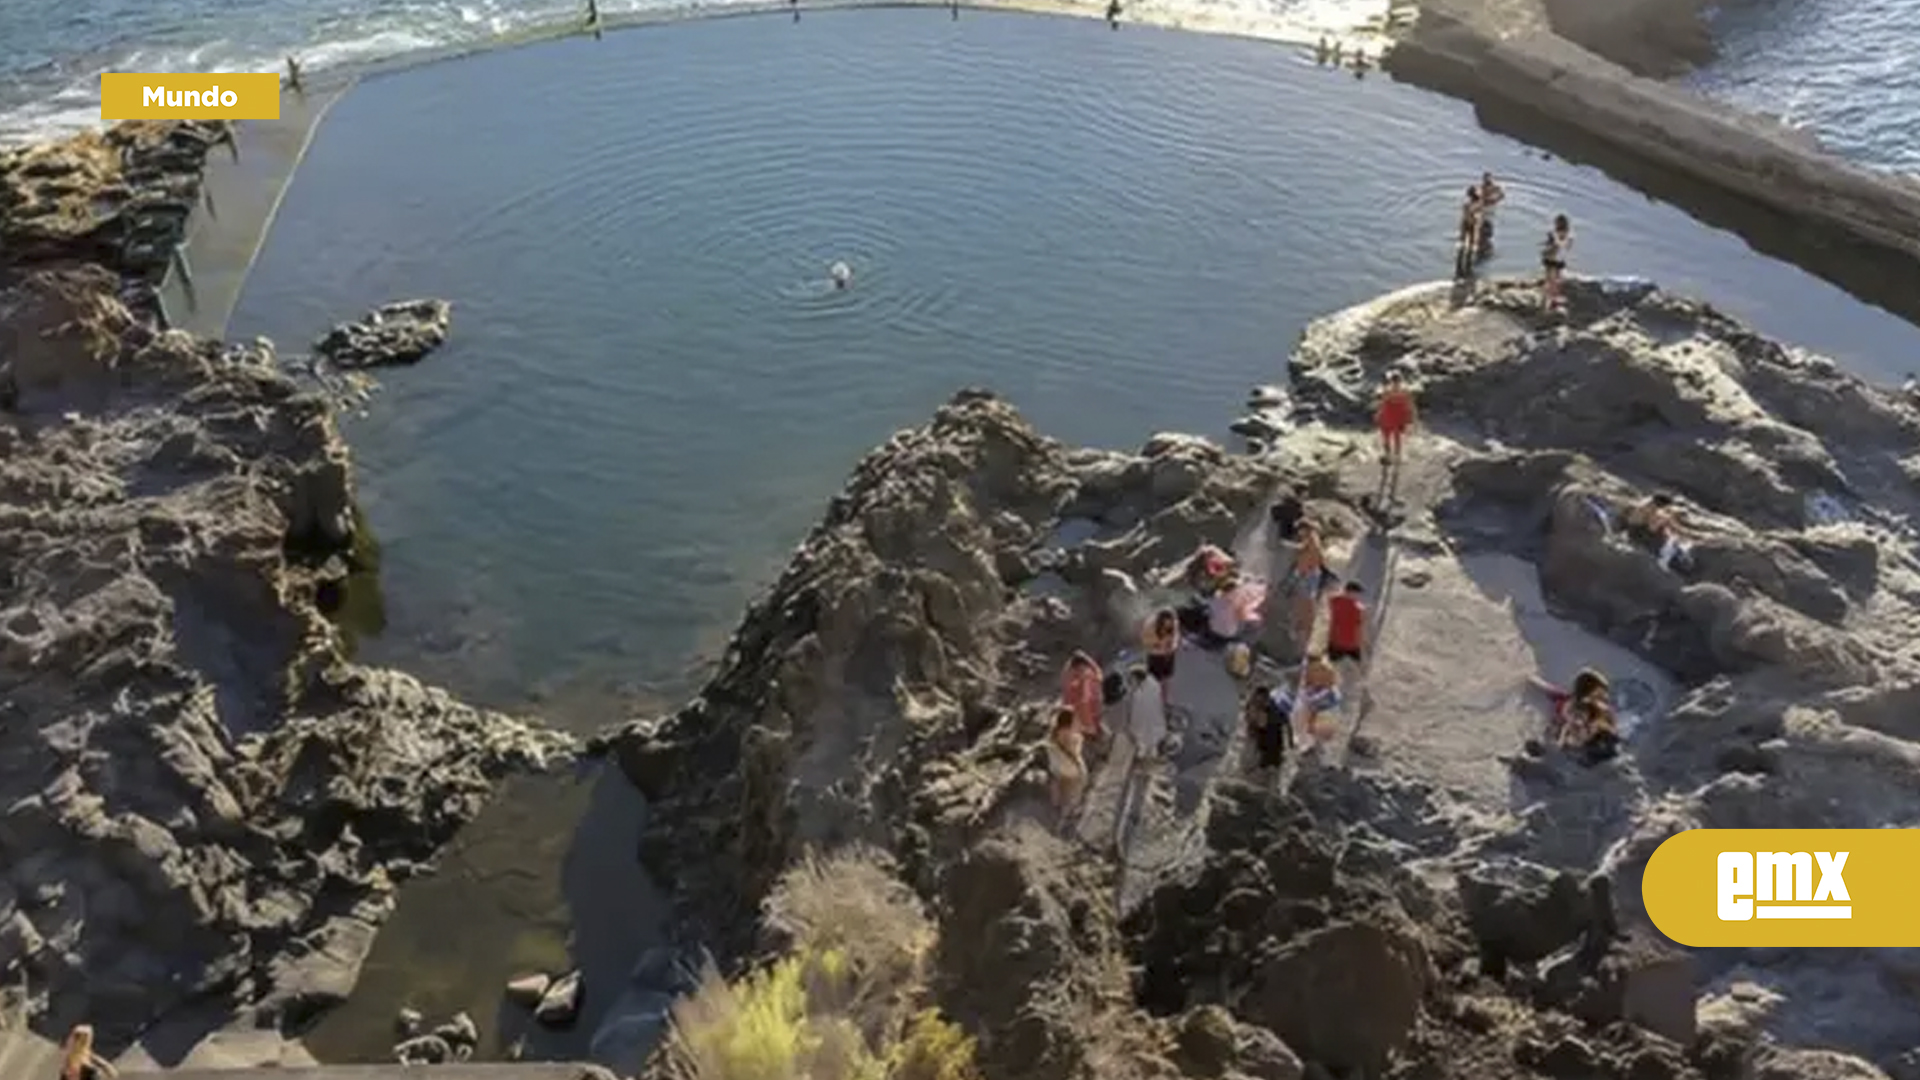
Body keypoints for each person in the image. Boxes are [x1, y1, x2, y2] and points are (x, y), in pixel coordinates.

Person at [1283, 520, 1331, 647]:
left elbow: (1311, 554)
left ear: (1304, 528)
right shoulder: (1311, 538)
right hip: (1307, 573)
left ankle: (1304, 629)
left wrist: (1302, 569)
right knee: (1302, 599)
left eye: (1299, 530)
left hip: (1308, 575)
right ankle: (1301, 626)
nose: (1298, 533)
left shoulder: (1312, 539)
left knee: (1306, 601)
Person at [1623, 493, 1691, 571]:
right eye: (1665, 507)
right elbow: (1652, 527)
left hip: (1637, 531)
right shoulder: (1650, 508)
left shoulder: (1648, 504)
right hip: (1639, 534)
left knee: (1665, 534)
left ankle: (1673, 555)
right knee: (1662, 543)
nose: (1664, 508)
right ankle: (1671, 560)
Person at [1046, 707, 1087, 821]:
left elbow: (1052, 716)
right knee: (1075, 788)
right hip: (1069, 768)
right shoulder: (1073, 737)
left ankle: (1055, 803)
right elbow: (1076, 753)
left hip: (1055, 765)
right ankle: (1069, 811)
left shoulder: (1053, 732)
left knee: (1057, 782)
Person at [1244, 681, 1295, 773]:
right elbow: (1251, 720)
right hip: (1262, 738)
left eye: (1262, 701)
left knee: (1271, 762)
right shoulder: (1252, 705)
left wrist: (1291, 741)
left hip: (1273, 741)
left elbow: (1288, 723)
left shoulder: (1277, 710)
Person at [1297, 652, 1343, 744]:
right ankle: (1311, 732)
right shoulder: (1309, 669)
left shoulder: (1326, 668)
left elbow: (1331, 684)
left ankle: (1316, 733)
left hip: (1327, 697)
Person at [1375, 371, 1416, 466]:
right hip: (1392, 416)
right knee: (1392, 437)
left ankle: (1391, 456)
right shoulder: (1403, 391)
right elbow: (1410, 405)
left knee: (1391, 437)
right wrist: (1411, 418)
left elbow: (1383, 404)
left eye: (1395, 381)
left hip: (1392, 416)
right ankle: (1392, 456)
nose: (1395, 383)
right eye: (1395, 381)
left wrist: (1411, 418)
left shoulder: (1390, 391)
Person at [1062, 652, 1105, 741]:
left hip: (1077, 715)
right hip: (1086, 714)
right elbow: (1084, 700)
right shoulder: (1087, 676)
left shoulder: (1070, 676)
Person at [1325, 580, 1366, 673]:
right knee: (1357, 670)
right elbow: (1360, 625)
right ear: (1351, 592)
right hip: (1348, 643)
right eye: (1357, 593)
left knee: (1332, 667)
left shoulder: (1335, 601)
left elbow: (1330, 596)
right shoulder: (1358, 608)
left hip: (1338, 641)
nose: (1358, 596)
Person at [1143, 608, 1180, 698]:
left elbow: (1176, 636)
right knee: (1154, 678)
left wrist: (1171, 647)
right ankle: (1151, 697)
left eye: (1169, 625)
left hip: (1168, 653)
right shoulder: (1150, 624)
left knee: (1166, 678)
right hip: (1155, 654)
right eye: (1164, 625)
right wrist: (1158, 644)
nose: (1166, 627)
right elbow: (1146, 641)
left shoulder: (1174, 623)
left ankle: (1163, 699)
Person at [1541, 213, 1573, 311]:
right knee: (1556, 279)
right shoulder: (1569, 235)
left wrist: (1552, 243)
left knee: (1550, 280)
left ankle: (1548, 300)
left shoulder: (1553, 233)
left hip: (1551, 258)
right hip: (1559, 259)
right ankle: (1552, 299)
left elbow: (1554, 245)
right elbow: (1567, 247)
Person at [1454, 186, 1482, 279]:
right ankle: (1467, 262)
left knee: (1467, 241)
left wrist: (1474, 218)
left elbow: (1471, 214)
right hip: (1469, 223)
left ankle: (1465, 259)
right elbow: (1471, 214)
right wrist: (1474, 218)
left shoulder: (1470, 204)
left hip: (1469, 223)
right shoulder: (1473, 204)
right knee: (1469, 242)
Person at [1475, 171, 1505, 255]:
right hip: (1484, 209)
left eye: (1489, 179)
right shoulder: (1481, 187)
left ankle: (1485, 241)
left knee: (1487, 225)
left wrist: (1495, 198)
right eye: (1485, 179)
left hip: (1490, 209)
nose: (1487, 181)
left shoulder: (1496, 187)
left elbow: (1502, 195)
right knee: (1482, 224)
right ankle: (1482, 241)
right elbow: (1477, 197)